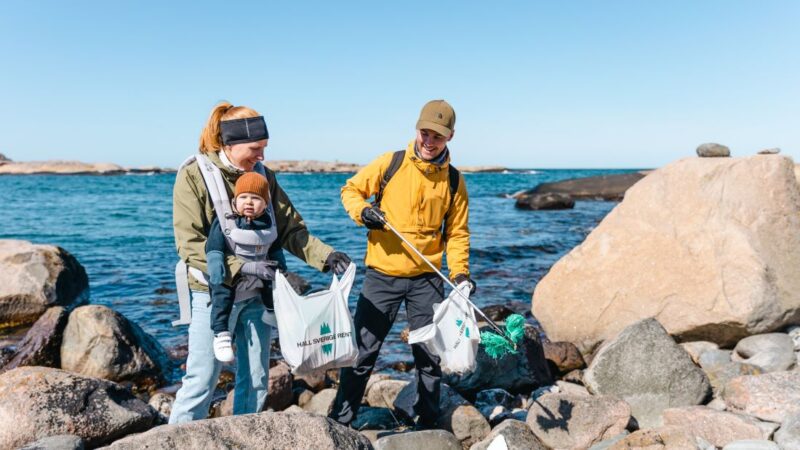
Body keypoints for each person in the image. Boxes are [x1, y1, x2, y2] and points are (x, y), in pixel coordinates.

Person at [169, 101, 351, 424]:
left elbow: (291, 230)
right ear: (230, 143)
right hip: (213, 295)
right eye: (256, 148)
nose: (262, 156)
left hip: (257, 296)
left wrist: (327, 257)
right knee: (201, 382)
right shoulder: (194, 175)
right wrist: (243, 267)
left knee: (255, 381)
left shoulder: (264, 177)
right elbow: (191, 246)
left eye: (264, 148)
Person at [329, 99, 474, 428]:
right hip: (382, 276)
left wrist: (460, 272)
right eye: (425, 133)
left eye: (437, 136)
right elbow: (350, 190)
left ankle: (429, 424)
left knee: (429, 356)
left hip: (427, 279)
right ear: (417, 130)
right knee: (363, 353)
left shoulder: (454, 181)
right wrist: (364, 213)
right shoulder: (390, 163)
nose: (429, 141)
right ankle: (340, 421)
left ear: (450, 136)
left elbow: (458, 233)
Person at [205, 172, 283, 362]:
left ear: (265, 203)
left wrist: (280, 266)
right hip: (231, 272)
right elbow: (214, 244)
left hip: (260, 268)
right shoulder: (226, 220)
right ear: (235, 200)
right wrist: (215, 260)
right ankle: (221, 334)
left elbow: (274, 245)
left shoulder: (268, 222)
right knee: (222, 294)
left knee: (270, 285)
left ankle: (271, 311)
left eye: (255, 198)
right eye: (243, 197)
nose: (249, 202)